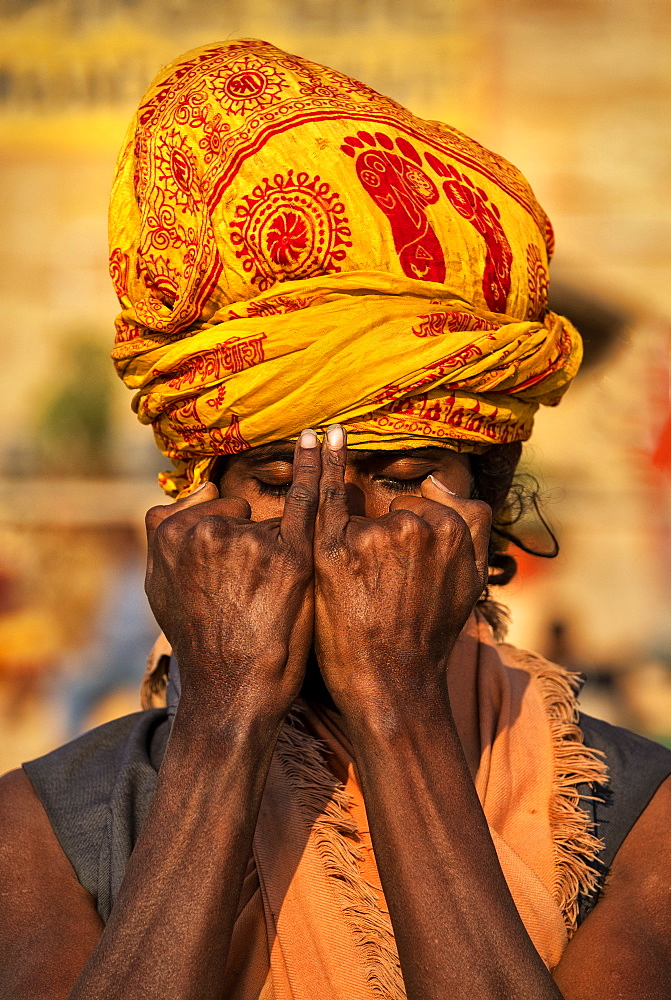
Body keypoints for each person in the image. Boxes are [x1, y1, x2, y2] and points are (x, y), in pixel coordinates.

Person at [1, 39, 670, 1000]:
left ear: (488, 500)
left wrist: (395, 711)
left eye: (399, 475)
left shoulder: (629, 816)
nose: (337, 531)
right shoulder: (54, 828)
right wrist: (225, 725)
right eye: (280, 479)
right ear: (199, 507)